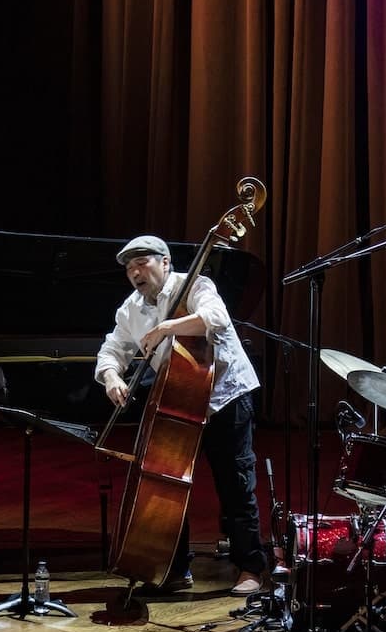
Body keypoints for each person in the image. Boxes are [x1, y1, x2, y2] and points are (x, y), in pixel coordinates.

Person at [96, 236, 267, 596]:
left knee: (235, 484)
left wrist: (166, 327)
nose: (135, 272)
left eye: (142, 263)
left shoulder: (195, 285)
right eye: (129, 268)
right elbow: (113, 348)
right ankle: (173, 569)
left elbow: (216, 318)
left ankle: (251, 566)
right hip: (177, 402)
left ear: (165, 263)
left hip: (225, 396)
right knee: (169, 486)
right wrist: (111, 375)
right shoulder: (130, 310)